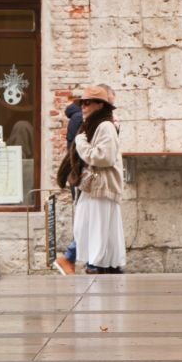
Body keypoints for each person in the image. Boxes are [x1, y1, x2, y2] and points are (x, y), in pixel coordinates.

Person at [70, 84, 126, 274]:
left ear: (100, 105)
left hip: (102, 183)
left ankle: (97, 262)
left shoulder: (105, 126)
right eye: (82, 103)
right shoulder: (95, 125)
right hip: (94, 184)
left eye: (88, 103)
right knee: (86, 224)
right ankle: (104, 263)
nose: (83, 107)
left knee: (98, 225)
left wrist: (81, 143)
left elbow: (104, 158)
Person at [52, 95, 84, 275]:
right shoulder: (79, 118)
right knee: (87, 220)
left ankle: (81, 259)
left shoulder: (76, 117)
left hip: (77, 175)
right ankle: (69, 256)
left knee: (88, 219)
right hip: (80, 177)